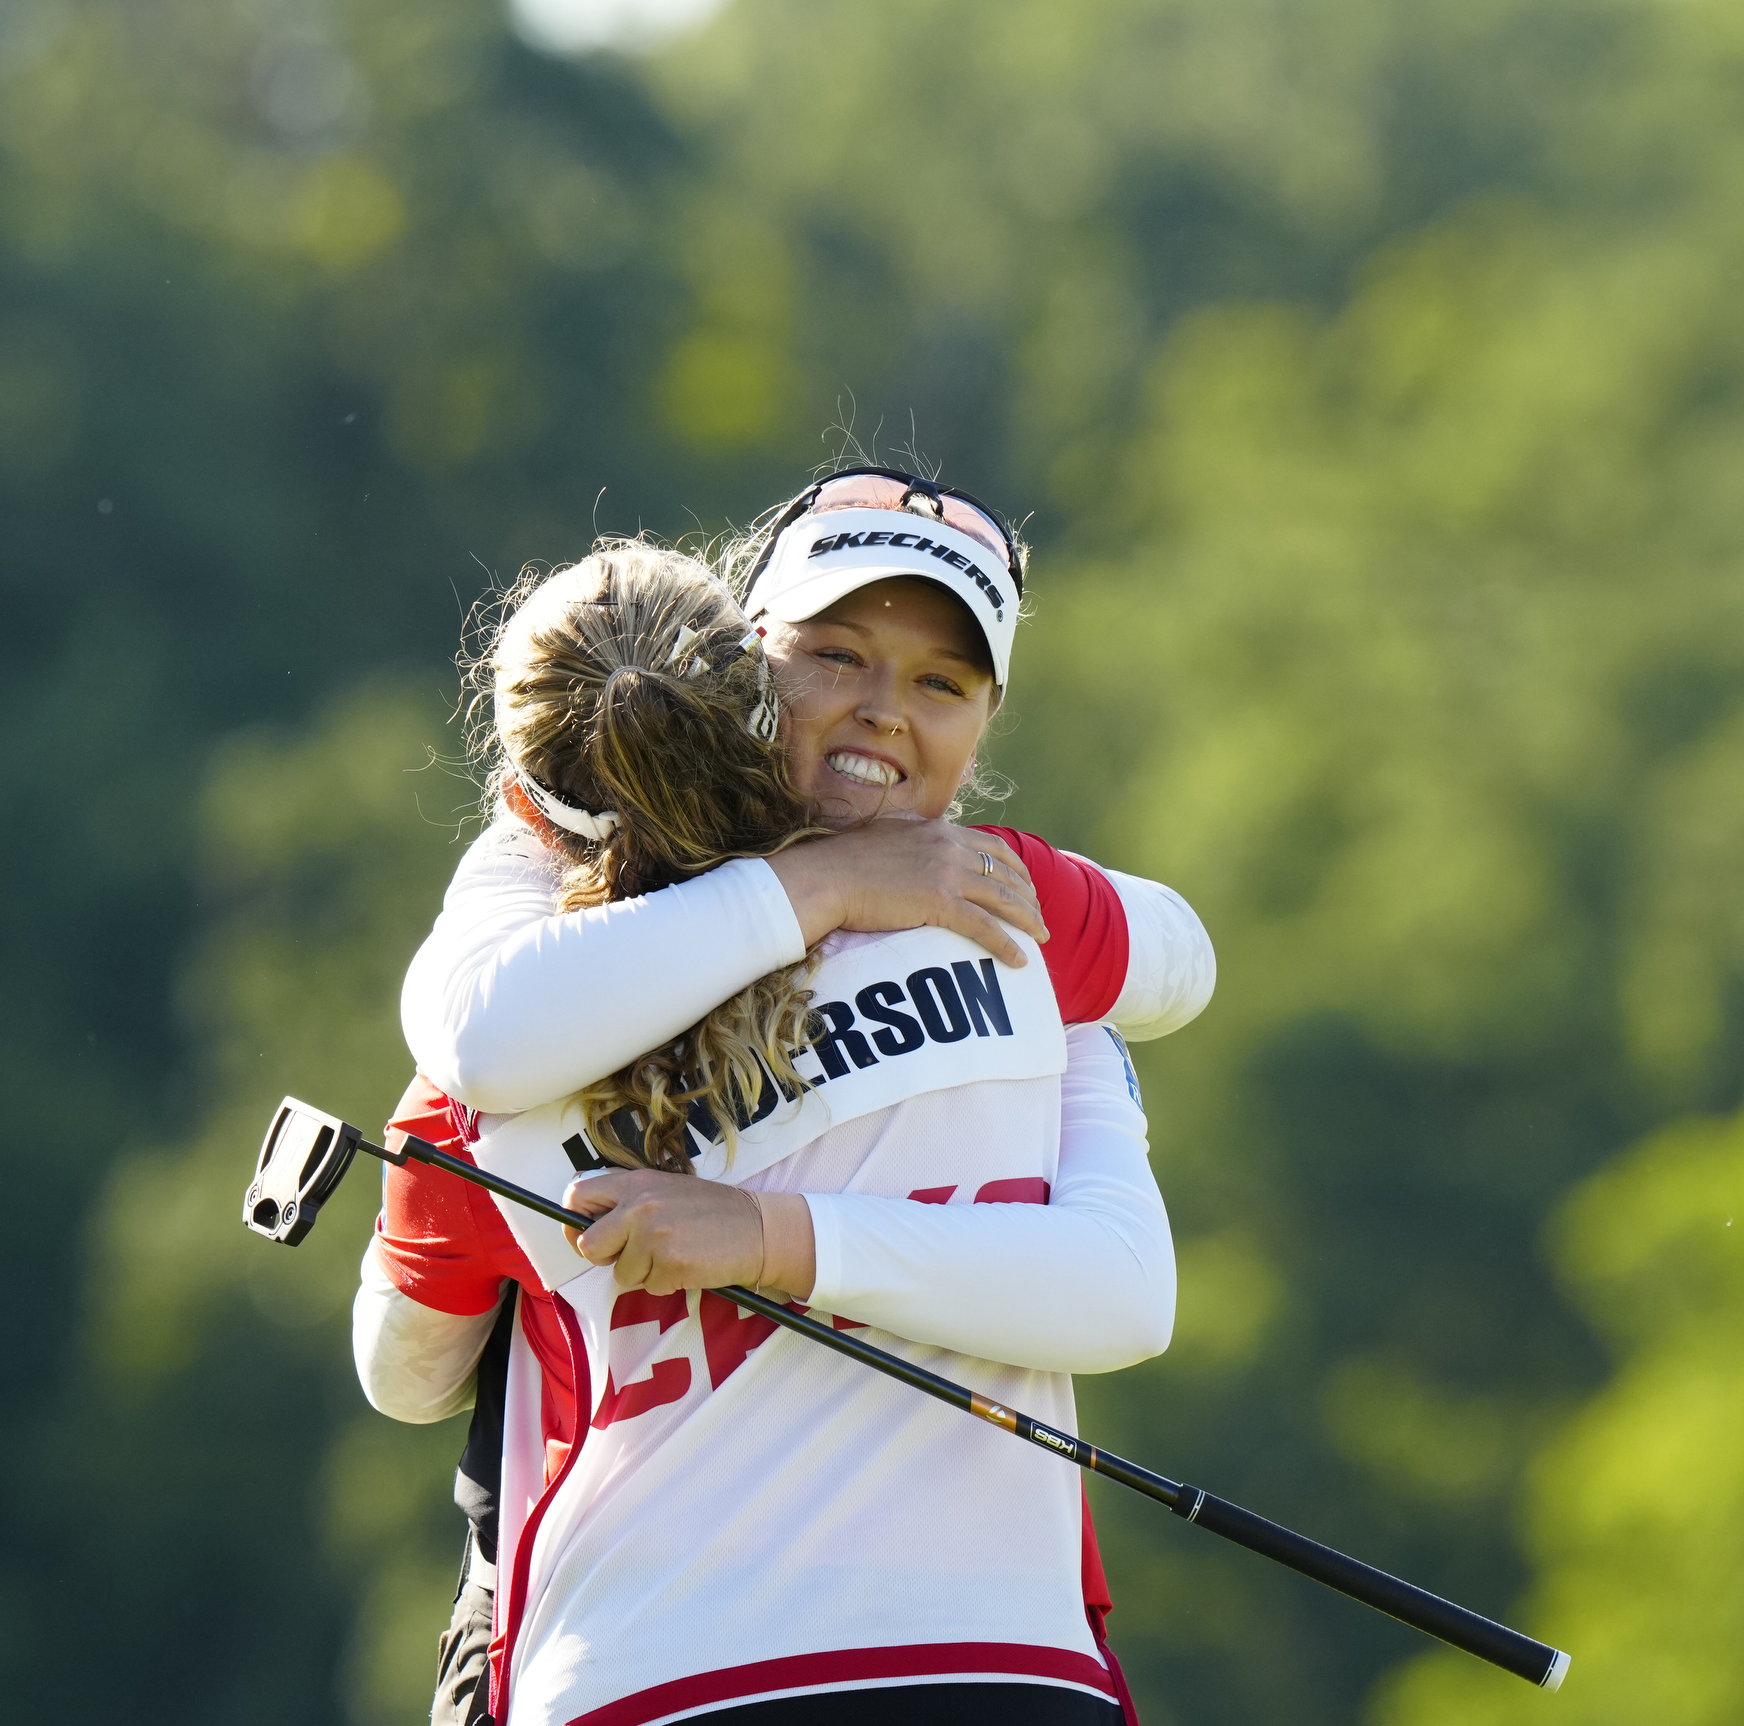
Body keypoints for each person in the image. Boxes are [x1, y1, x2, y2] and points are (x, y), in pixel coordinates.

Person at [357, 470, 1210, 1726]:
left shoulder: (1012, 920)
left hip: (860, 1667)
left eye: (942, 681)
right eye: (836, 655)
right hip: (769, 1672)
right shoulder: (1012, 924)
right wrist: (828, 887)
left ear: (988, 716)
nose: (883, 710)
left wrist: (769, 1237)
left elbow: (405, 1366)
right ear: (745, 660)